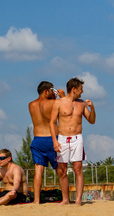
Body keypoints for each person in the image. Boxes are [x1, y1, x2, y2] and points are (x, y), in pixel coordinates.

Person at [49, 77, 96, 206]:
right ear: (74, 89)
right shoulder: (58, 103)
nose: (82, 91)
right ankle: (65, 199)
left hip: (77, 138)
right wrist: (55, 140)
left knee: (78, 169)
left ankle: (78, 200)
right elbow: (52, 122)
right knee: (62, 170)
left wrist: (92, 108)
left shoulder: (81, 103)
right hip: (63, 138)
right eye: (81, 89)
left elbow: (91, 121)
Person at [28, 81, 65, 204]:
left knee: (38, 171)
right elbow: (67, 107)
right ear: (46, 91)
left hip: (37, 139)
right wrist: (62, 97)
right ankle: (66, 199)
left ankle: (37, 200)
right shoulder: (54, 103)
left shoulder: (31, 105)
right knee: (60, 171)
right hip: (52, 139)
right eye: (51, 90)